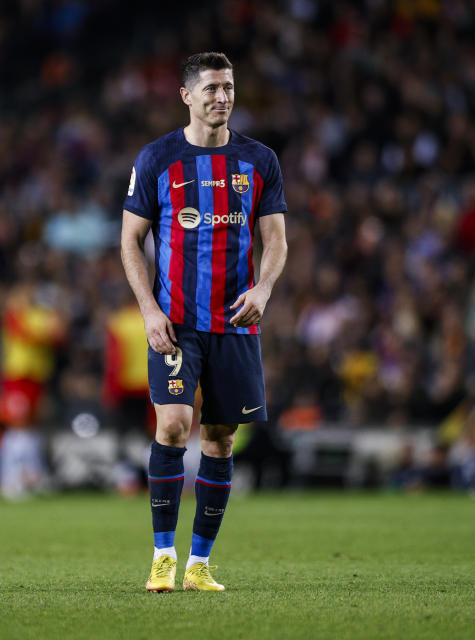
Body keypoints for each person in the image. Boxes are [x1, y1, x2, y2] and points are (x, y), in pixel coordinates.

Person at [120, 52, 288, 592]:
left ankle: (199, 564)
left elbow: (277, 239)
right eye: (212, 88)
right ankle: (163, 556)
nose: (222, 96)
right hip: (176, 322)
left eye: (229, 87)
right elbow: (129, 240)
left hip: (236, 323)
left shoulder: (258, 161)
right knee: (172, 424)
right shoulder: (157, 158)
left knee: (220, 438)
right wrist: (148, 309)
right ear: (187, 95)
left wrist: (263, 287)